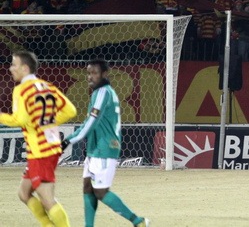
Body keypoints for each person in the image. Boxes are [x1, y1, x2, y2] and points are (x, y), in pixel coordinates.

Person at [61, 59, 150, 227]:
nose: (90, 76)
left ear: (104, 74)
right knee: (88, 187)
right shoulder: (101, 92)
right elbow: (88, 122)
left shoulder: (103, 93)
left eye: (94, 73)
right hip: (95, 147)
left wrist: (68, 141)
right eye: (88, 73)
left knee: (101, 192)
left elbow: (91, 122)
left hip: (105, 147)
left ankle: (138, 221)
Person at [0, 50, 77, 227]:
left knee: (47, 200)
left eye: (14, 65)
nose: (11, 68)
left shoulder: (21, 90)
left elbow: (20, 120)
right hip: (50, 148)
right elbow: (70, 111)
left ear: (25, 68)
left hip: (40, 152)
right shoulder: (47, 86)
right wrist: (47, 122)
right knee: (24, 193)